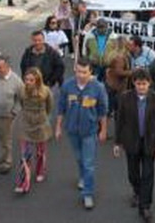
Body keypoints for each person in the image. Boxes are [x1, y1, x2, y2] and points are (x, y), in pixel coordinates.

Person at [55, 57, 108, 210]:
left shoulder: (98, 88)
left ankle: (88, 194)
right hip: (72, 130)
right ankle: (83, 177)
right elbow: (61, 107)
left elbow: (103, 111)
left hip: (90, 131)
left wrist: (103, 130)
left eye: (84, 72)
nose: (81, 75)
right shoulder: (67, 85)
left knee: (89, 163)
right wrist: (58, 127)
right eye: (78, 71)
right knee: (79, 158)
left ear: (90, 72)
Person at [114, 69, 155, 222]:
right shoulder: (125, 98)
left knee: (148, 174)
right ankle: (137, 191)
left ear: (149, 83)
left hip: (150, 142)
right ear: (134, 83)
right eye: (138, 84)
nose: (141, 87)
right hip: (131, 141)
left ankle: (145, 206)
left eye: (144, 84)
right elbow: (120, 121)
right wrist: (117, 142)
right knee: (133, 173)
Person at [14, 68, 53, 194]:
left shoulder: (46, 91)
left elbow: (49, 107)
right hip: (26, 125)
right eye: (26, 79)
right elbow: (21, 103)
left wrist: (43, 118)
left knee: (40, 152)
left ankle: (40, 171)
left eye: (31, 80)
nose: (28, 82)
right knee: (25, 155)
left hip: (41, 125)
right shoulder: (21, 91)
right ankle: (23, 183)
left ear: (37, 81)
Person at [104, 35, 132, 118]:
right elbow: (119, 72)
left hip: (110, 84)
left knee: (108, 110)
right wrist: (132, 72)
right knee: (118, 111)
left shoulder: (112, 54)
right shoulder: (120, 58)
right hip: (117, 87)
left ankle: (103, 129)